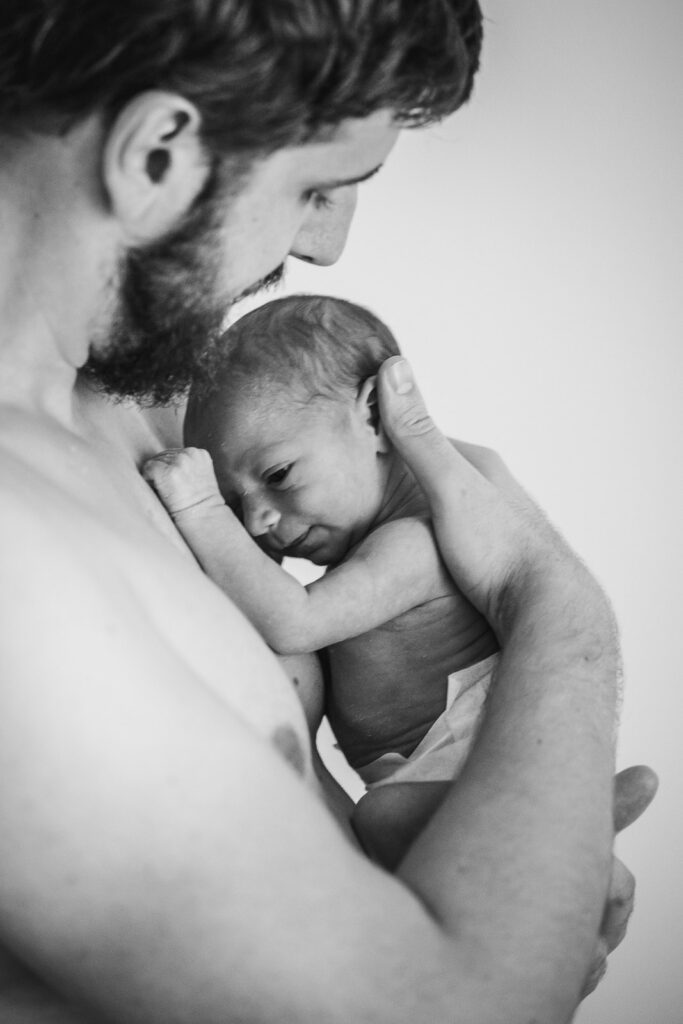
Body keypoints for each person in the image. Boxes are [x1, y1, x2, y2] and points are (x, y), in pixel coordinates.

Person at [0, 2, 656, 1023]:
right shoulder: (19, 556)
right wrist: (556, 608)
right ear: (159, 150)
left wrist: (520, 887)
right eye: (316, 188)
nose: (330, 245)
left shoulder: (153, 416)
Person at [144, 294, 504, 868]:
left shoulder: (416, 544)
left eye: (278, 475)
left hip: (463, 765)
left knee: (380, 819)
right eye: (238, 500)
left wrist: (204, 509)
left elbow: (294, 622)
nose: (257, 518)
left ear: (373, 418)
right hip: (418, 777)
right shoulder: (361, 548)